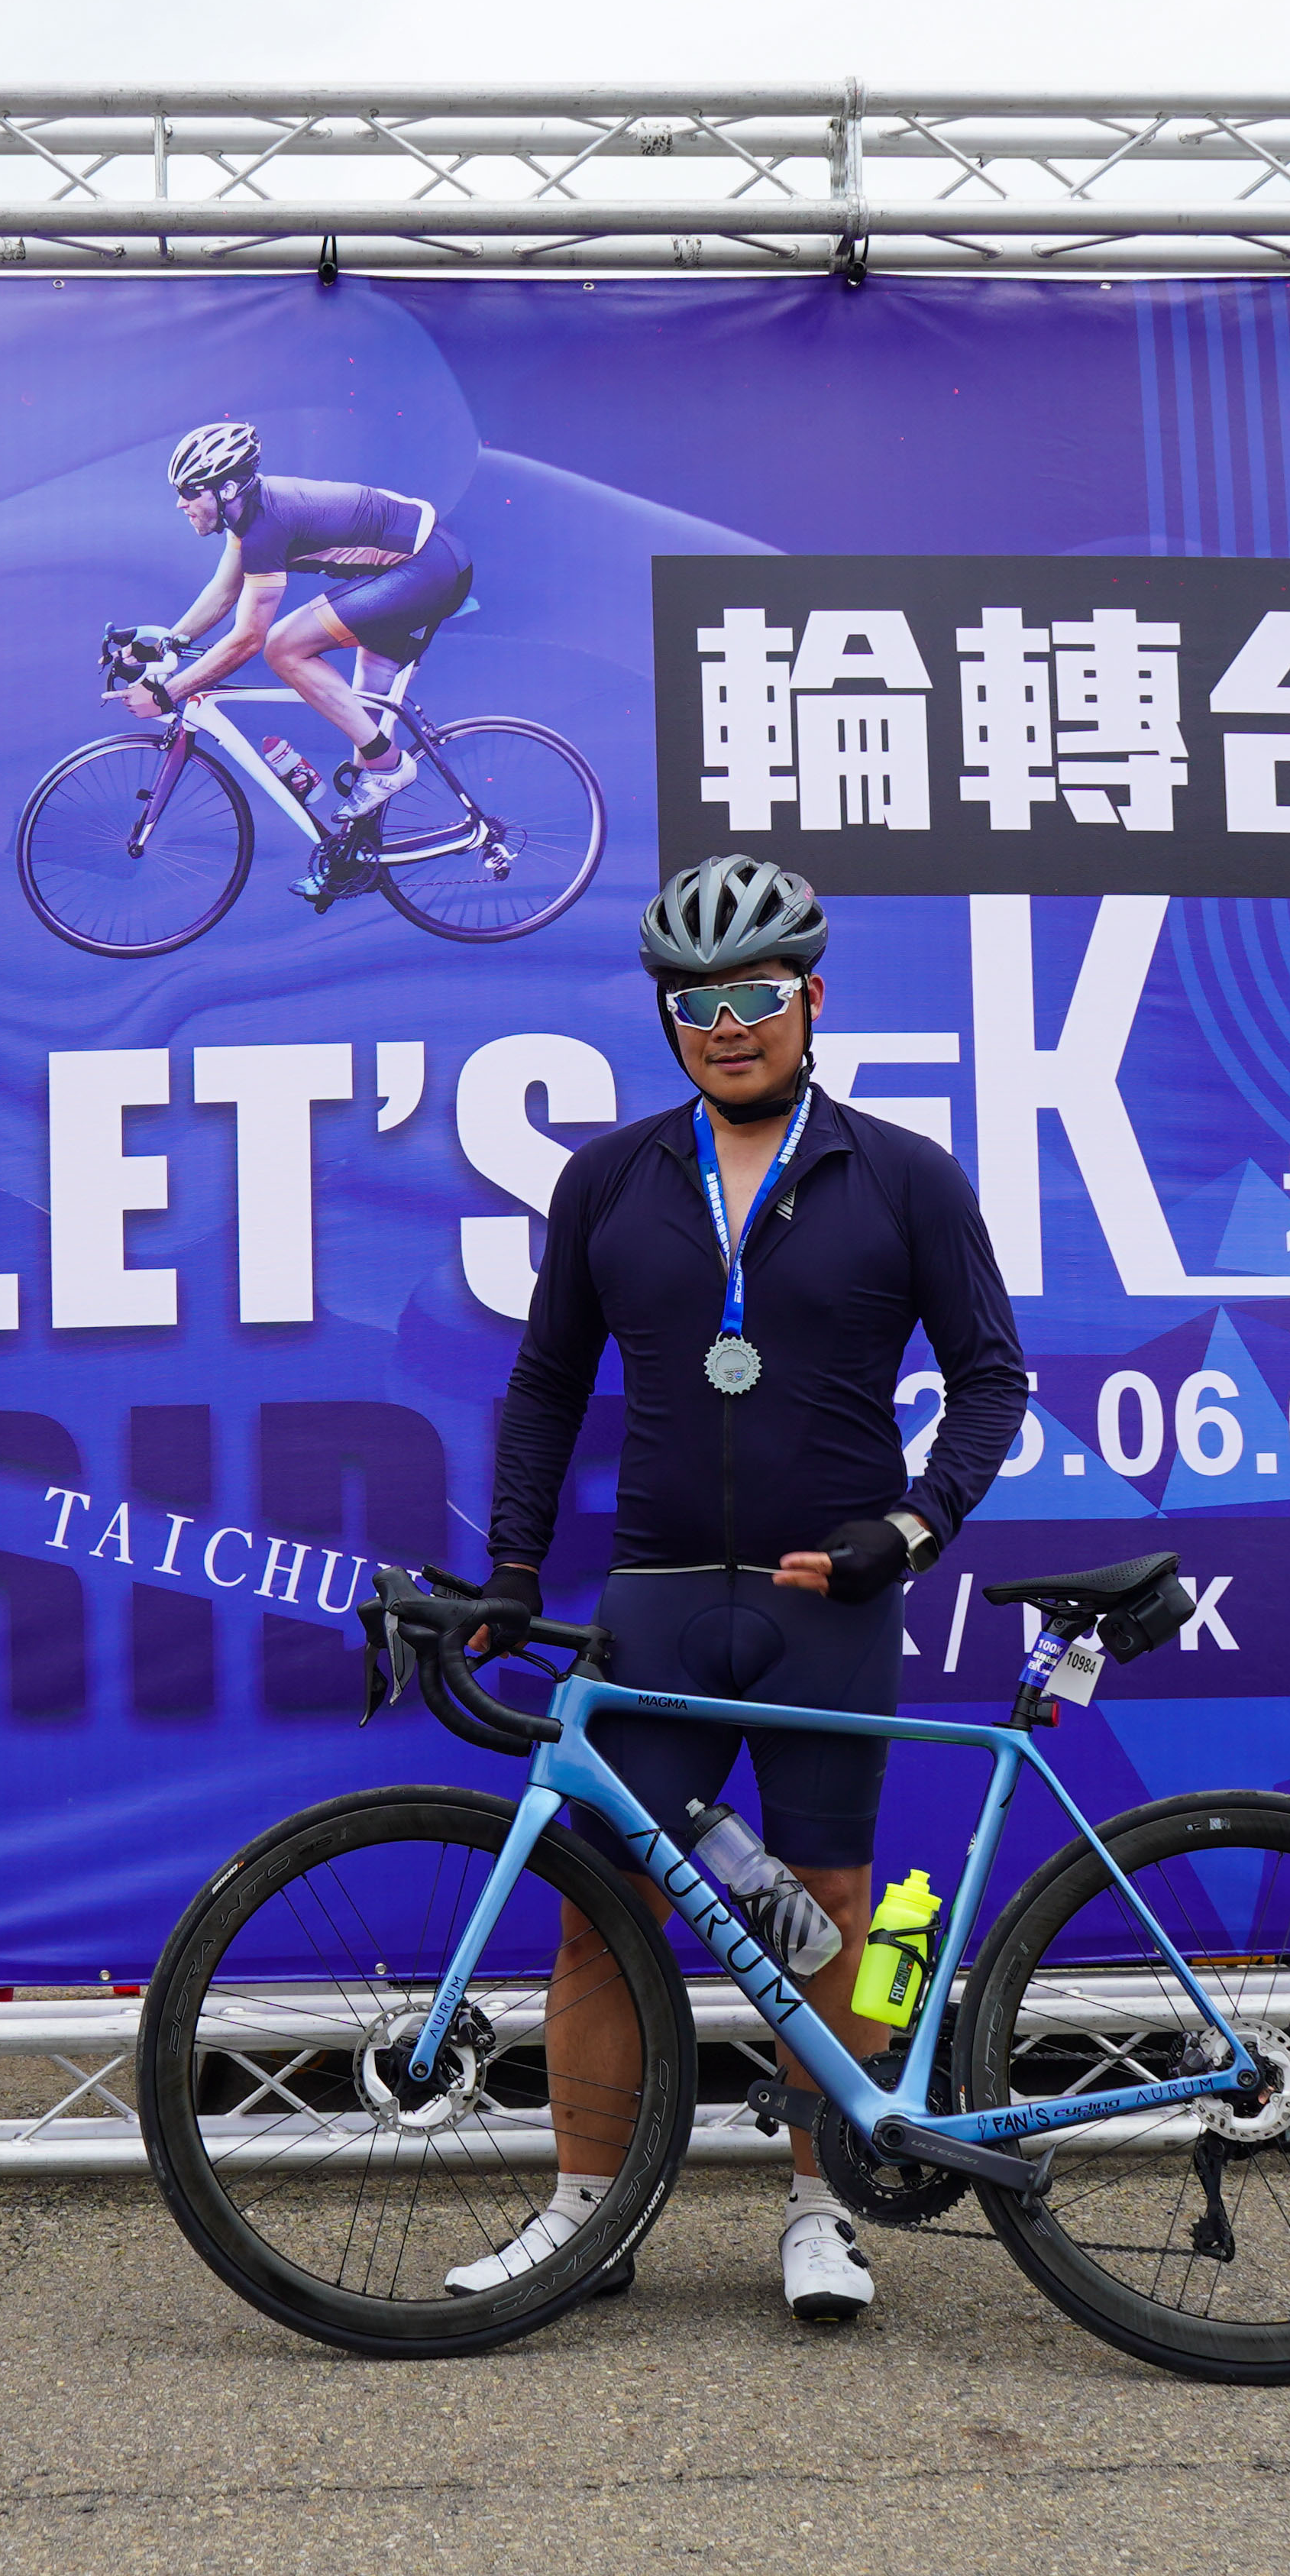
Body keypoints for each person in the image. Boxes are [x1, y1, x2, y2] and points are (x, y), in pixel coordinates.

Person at [461, 855, 1031, 2325]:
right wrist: (515, 1561)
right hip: (655, 1600)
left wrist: (912, 1527)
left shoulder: (904, 1173)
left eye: (757, 996)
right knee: (604, 1911)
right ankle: (586, 2214)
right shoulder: (606, 1179)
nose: (729, 1026)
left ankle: (823, 2209)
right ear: (666, 1016)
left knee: (827, 1907)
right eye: (696, 1002)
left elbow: (991, 1379)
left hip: (827, 1602)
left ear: (811, 999)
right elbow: (545, 1385)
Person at [116, 420, 475, 833]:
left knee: (283, 646)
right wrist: (163, 645)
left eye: (190, 491)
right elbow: (223, 592)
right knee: (363, 716)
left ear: (227, 490)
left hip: (428, 570)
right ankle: (359, 847)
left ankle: (389, 766)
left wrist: (168, 693)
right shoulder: (248, 516)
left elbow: (247, 640)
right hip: (425, 564)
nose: (181, 504)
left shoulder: (266, 527)